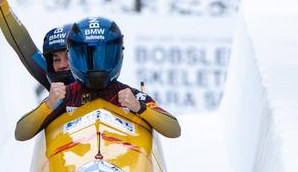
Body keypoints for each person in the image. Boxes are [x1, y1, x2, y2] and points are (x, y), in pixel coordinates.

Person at [15, 17, 181, 141]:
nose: (95, 68)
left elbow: (174, 130)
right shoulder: (64, 96)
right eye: (86, 58)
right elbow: (21, 133)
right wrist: (48, 105)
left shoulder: (129, 96)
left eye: (102, 58)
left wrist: (140, 108)